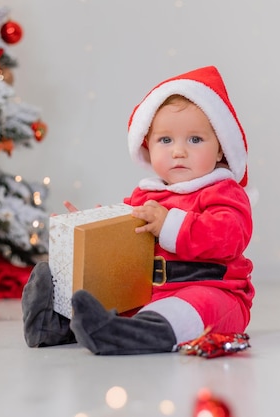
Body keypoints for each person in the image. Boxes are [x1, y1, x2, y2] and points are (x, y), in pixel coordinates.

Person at [22, 66, 254, 355]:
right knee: (113, 293)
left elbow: (229, 237)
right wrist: (85, 227)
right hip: (147, 293)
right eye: (165, 140)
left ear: (220, 150)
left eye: (195, 140)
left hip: (213, 290)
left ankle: (128, 336)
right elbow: (124, 241)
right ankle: (56, 325)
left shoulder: (222, 191)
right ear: (148, 146)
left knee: (193, 308)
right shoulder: (145, 196)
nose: (178, 151)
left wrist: (169, 224)